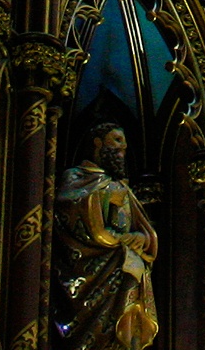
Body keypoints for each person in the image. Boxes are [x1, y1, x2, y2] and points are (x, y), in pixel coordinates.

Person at [55, 123, 161, 349]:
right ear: (98, 142)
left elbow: (144, 229)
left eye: (123, 141)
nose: (123, 147)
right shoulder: (76, 177)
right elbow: (68, 208)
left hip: (122, 271)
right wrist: (104, 196)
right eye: (117, 140)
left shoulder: (120, 186)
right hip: (89, 272)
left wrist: (141, 239)